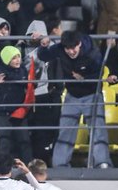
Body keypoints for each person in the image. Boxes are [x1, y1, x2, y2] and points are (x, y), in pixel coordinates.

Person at [39, 29, 112, 169]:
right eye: (67, 49)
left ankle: (102, 163)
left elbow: (100, 73)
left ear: (79, 44)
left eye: (73, 48)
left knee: (98, 130)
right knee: (65, 130)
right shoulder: (60, 48)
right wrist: (43, 45)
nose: (71, 52)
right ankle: (60, 165)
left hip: (92, 94)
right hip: (72, 95)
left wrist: (84, 78)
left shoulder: (92, 52)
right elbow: (43, 56)